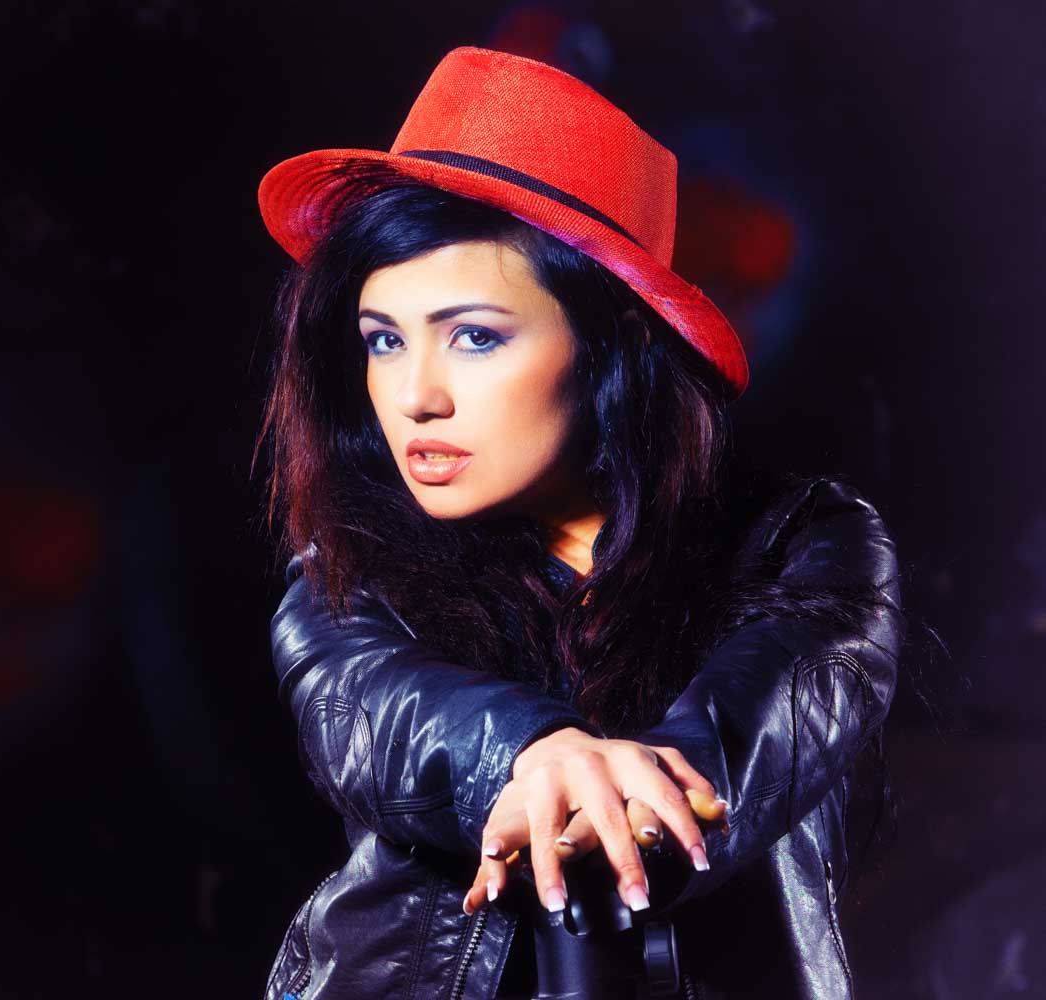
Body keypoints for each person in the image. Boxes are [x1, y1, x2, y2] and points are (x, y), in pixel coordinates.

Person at [250, 47, 902, 1000]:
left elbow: (765, 732)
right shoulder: (345, 576)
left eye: (475, 336)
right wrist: (533, 750)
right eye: (385, 341)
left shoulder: (806, 542)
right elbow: (373, 718)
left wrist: (621, 784)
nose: (415, 397)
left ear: (613, 343)